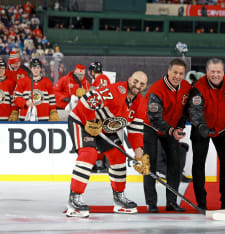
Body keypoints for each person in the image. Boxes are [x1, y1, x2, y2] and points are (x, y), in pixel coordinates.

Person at [65, 71, 149, 218]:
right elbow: (86, 101)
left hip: (105, 128)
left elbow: (135, 131)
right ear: (129, 79)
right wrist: (91, 121)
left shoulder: (141, 103)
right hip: (83, 120)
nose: (137, 85)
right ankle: (74, 199)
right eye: (135, 81)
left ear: (145, 86)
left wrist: (139, 156)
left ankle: (119, 197)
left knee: (118, 157)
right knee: (89, 154)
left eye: (142, 84)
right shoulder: (116, 91)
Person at [189, 58, 225, 212]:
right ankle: (201, 202)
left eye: (218, 71)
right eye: (212, 71)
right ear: (207, 72)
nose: (215, 75)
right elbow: (195, 110)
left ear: (223, 72)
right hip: (201, 129)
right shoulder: (198, 86)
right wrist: (201, 126)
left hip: (224, 130)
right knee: (198, 164)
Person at [143, 58, 191, 213]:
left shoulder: (186, 87)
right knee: (151, 165)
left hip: (170, 129)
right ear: (169, 71)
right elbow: (155, 118)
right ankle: (151, 203)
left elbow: (185, 111)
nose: (177, 76)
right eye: (175, 72)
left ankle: (171, 202)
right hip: (151, 128)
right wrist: (172, 130)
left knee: (174, 165)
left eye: (181, 73)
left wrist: (179, 127)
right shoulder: (156, 89)